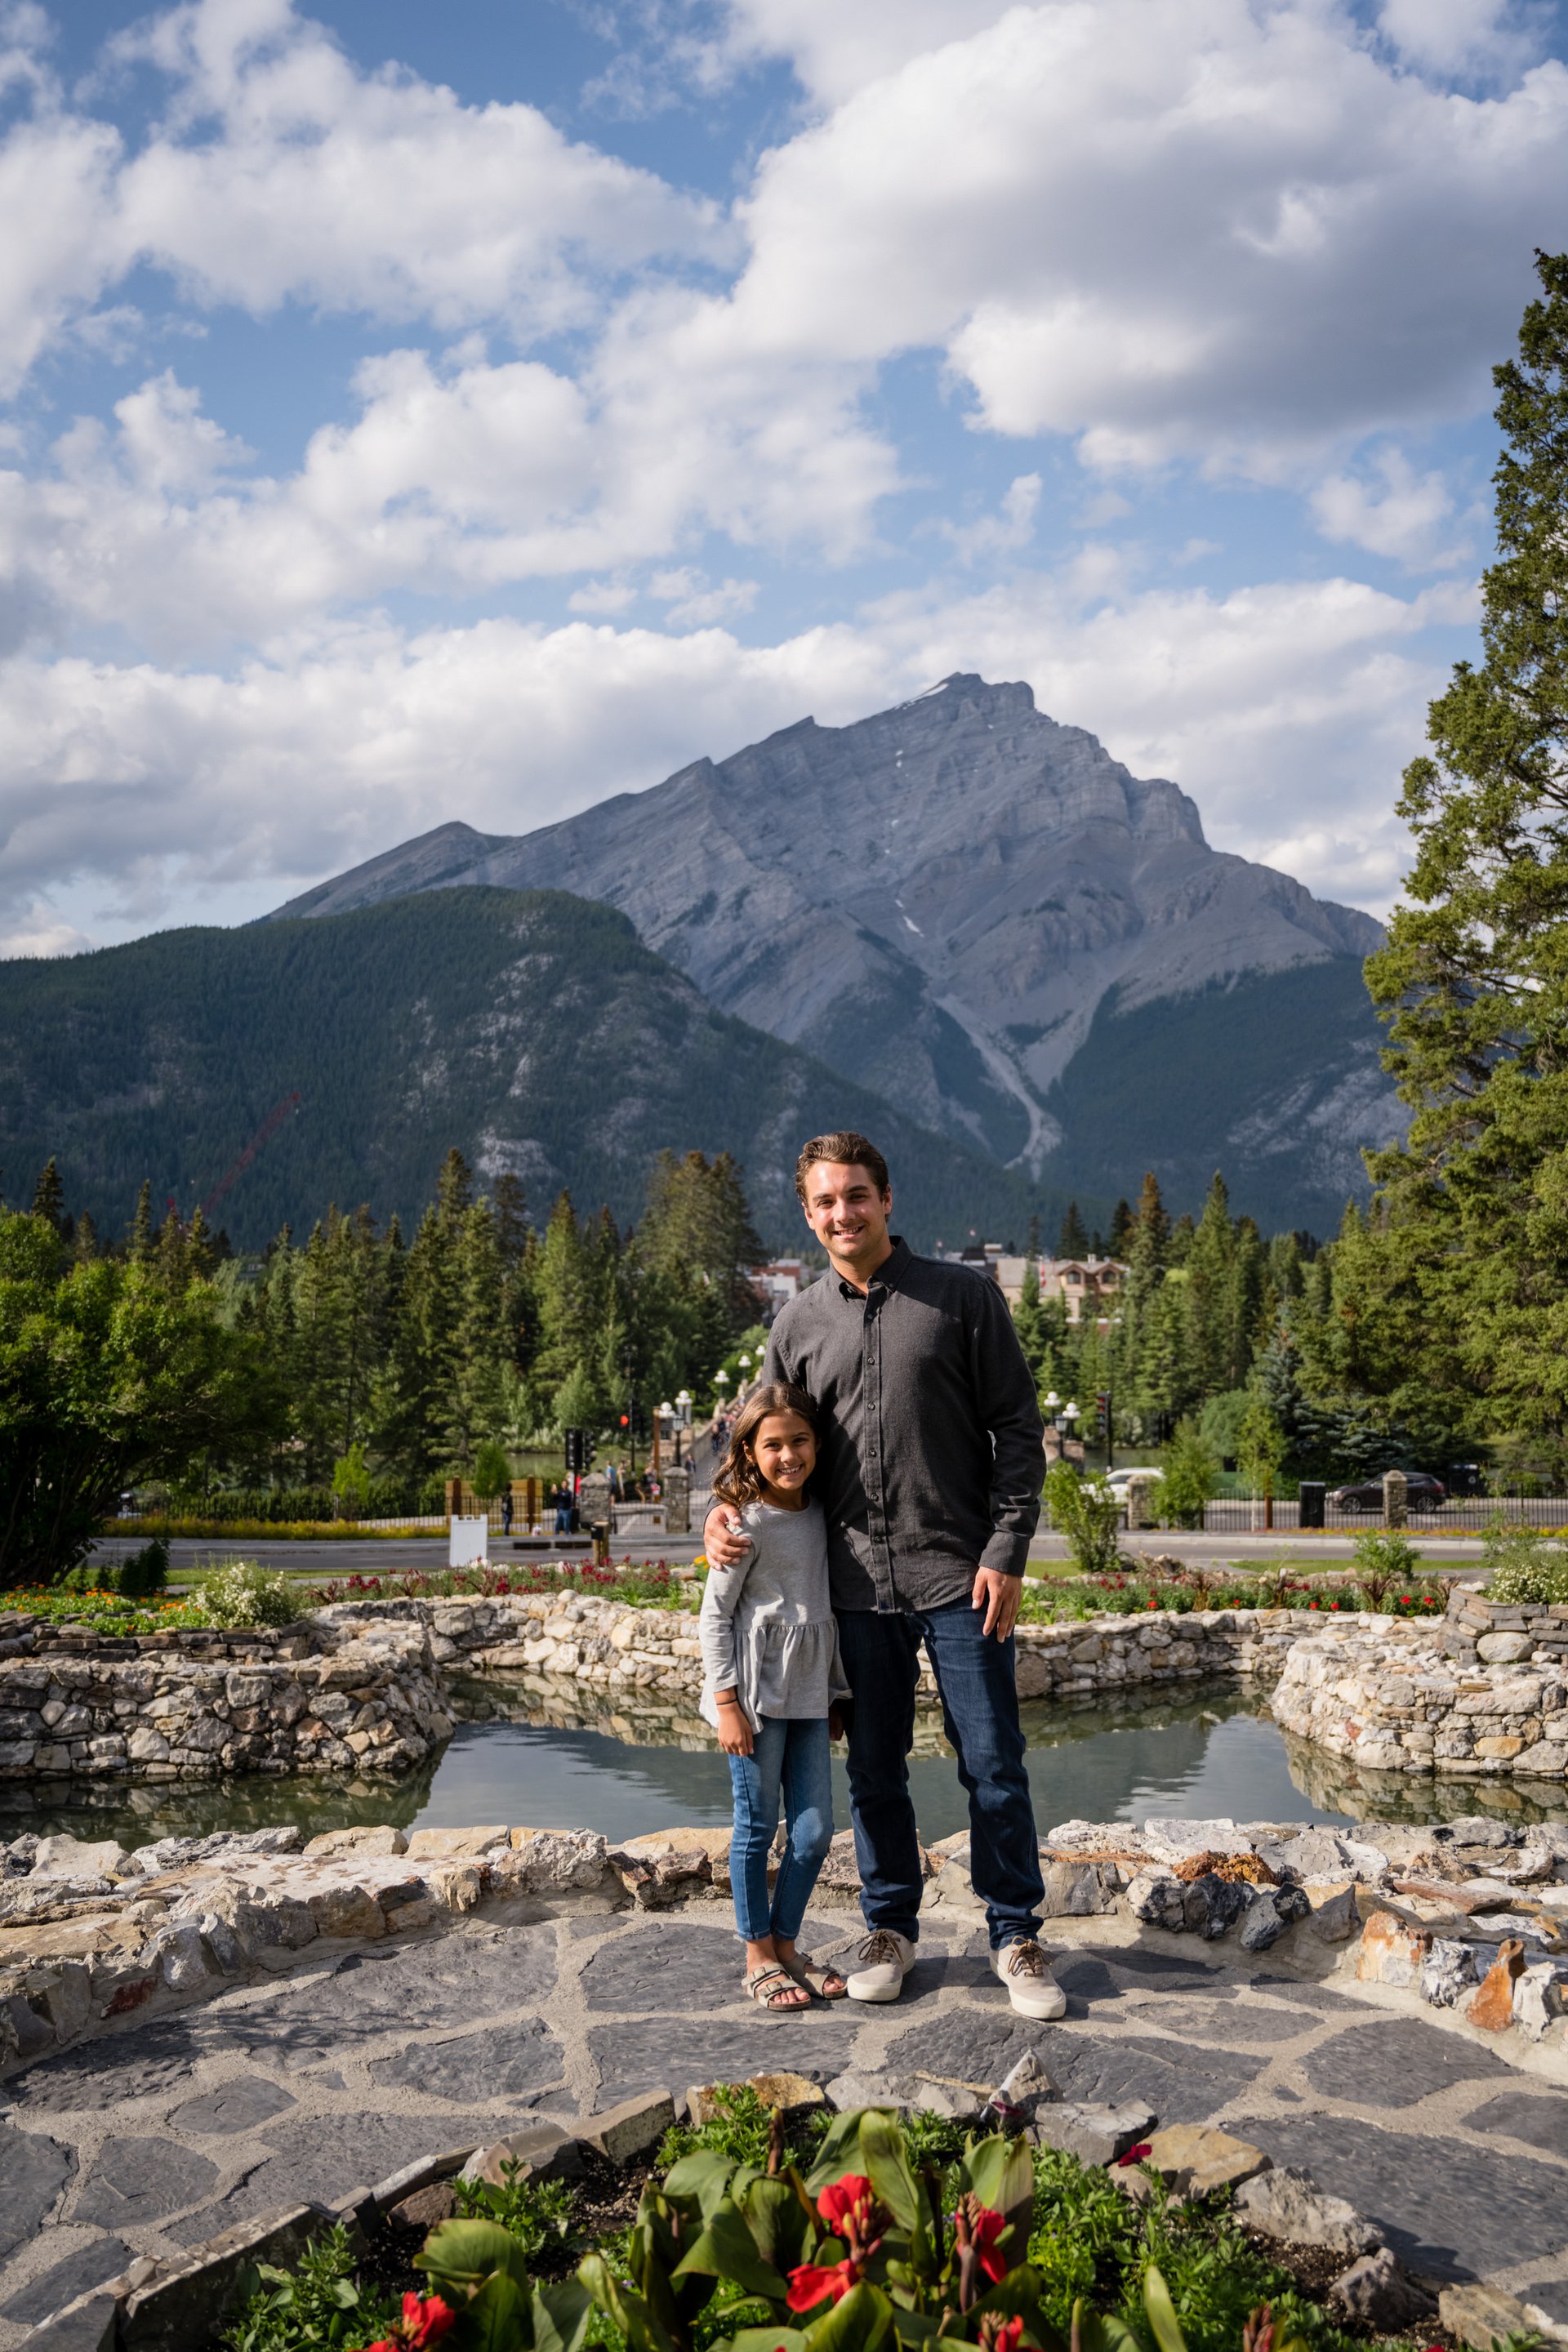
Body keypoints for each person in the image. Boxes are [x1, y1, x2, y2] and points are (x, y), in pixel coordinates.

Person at [704, 1129, 1060, 2019]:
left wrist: (1007, 1548)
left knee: (994, 1765)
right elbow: (758, 1442)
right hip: (852, 1589)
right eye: (825, 1201)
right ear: (809, 1213)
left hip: (960, 1577)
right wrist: (717, 1514)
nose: (842, 1213)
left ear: (887, 1199)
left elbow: (1017, 1428)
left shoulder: (961, 1299)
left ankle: (1014, 1933)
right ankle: (889, 1928)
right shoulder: (797, 1323)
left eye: (856, 1195)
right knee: (873, 1771)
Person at [700, 1381, 852, 2010]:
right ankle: (757, 1953)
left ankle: (787, 1943)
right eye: (773, 1446)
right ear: (748, 1451)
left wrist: (835, 1693)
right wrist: (727, 1704)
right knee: (756, 1828)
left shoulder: (820, 1511)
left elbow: (819, 1607)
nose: (788, 1455)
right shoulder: (741, 1523)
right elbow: (714, 1618)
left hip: (810, 1696)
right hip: (755, 1701)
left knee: (815, 1832)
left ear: (817, 1444)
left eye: (799, 1441)